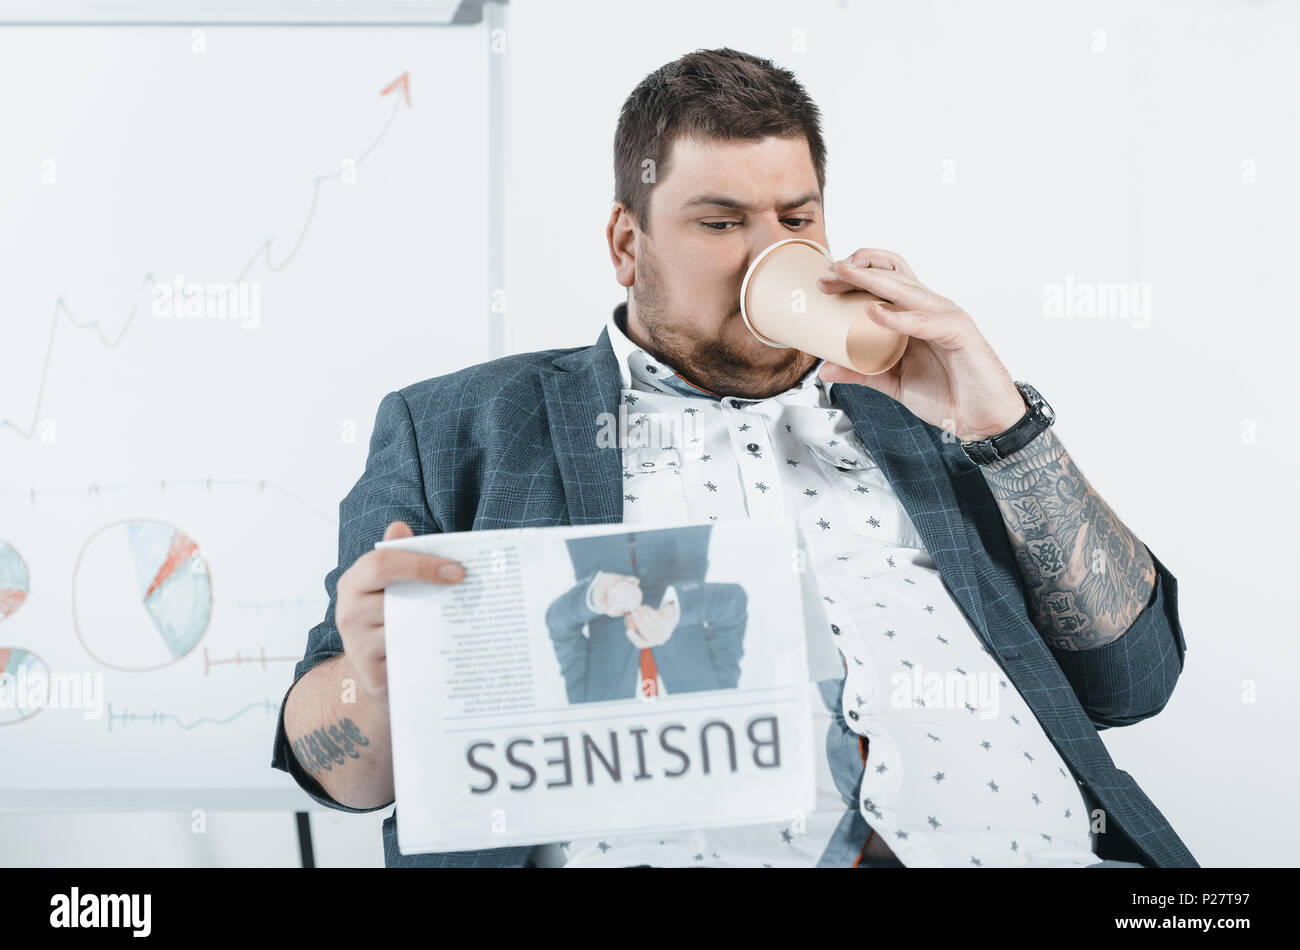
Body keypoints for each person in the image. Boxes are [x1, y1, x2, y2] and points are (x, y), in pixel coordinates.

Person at [270, 47, 1196, 869]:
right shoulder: (464, 425)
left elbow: (1135, 680)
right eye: (721, 223)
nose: (772, 254)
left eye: (797, 218)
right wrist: (383, 683)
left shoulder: (927, 415)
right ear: (627, 244)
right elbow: (342, 776)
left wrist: (1004, 425)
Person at [544, 526, 748, 703]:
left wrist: (596, 596)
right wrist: (677, 610)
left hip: (594, 536)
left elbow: (559, 625)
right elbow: (734, 606)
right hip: (677, 527)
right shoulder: (714, 699)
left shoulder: (590, 710)